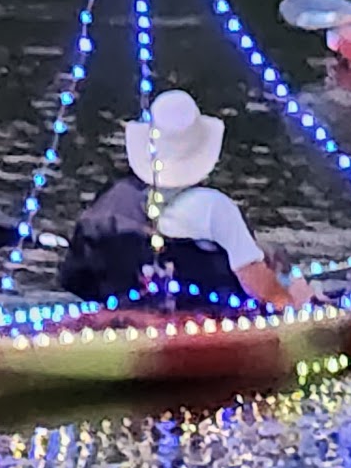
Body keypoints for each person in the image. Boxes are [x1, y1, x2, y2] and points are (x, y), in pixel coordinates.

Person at [59, 88, 313, 309]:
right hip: (208, 322)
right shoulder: (214, 208)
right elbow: (261, 289)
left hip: (133, 316)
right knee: (294, 285)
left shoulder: (116, 200)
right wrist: (295, 299)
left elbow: (76, 280)